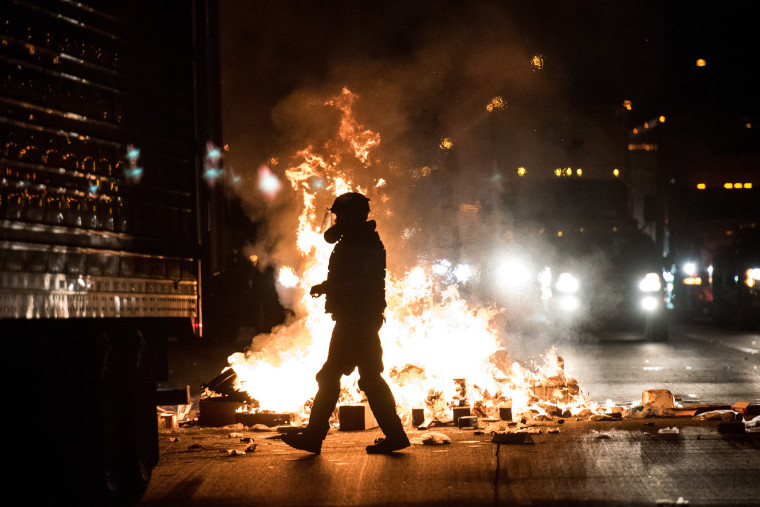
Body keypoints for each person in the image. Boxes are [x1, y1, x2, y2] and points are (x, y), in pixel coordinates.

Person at [282, 192, 410, 454]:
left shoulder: (361, 243)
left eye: (340, 216)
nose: (336, 221)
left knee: (331, 376)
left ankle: (314, 436)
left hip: (356, 319)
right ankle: (395, 435)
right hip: (359, 317)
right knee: (370, 378)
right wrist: (329, 287)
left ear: (350, 217)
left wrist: (329, 287)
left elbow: (360, 284)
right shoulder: (358, 240)